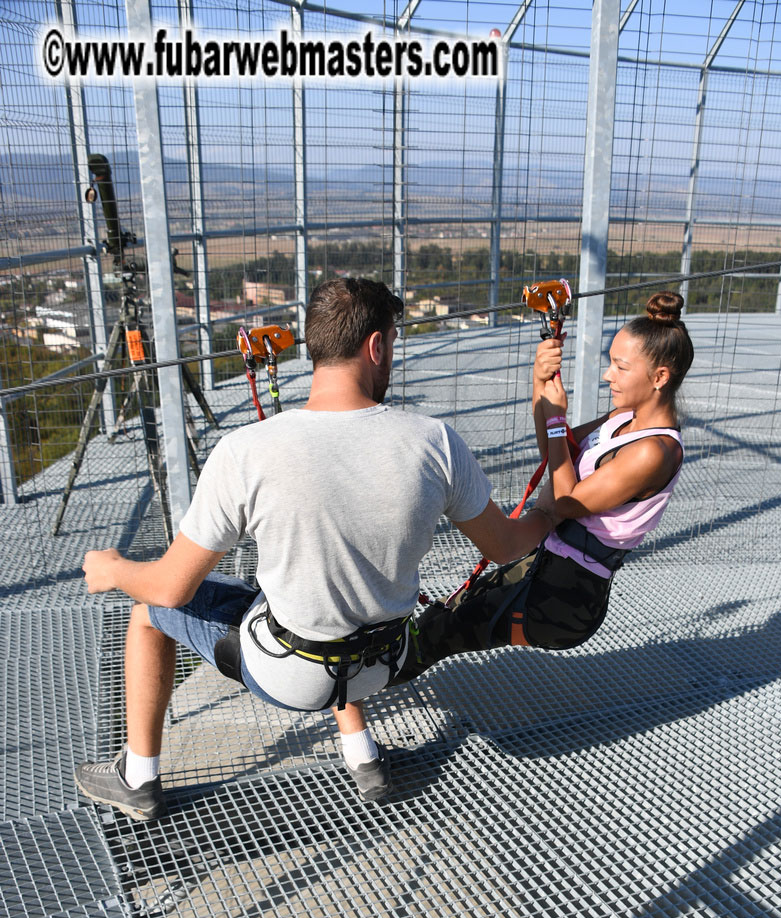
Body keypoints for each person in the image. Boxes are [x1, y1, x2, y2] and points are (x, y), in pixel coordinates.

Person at [75, 277, 560, 819]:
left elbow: (171, 586)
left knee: (147, 610)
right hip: (383, 662)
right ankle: (363, 755)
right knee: (335, 588)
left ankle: (137, 776)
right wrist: (553, 504)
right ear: (376, 346)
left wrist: (114, 568)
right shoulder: (435, 442)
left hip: (290, 675)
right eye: (393, 344)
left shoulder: (244, 452)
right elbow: (508, 546)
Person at [391, 291, 693, 683]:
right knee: (445, 616)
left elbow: (567, 501)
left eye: (620, 367)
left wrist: (555, 420)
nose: (608, 375)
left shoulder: (654, 451)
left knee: (441, 631)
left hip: (564, 599)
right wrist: (540, 382)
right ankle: (376, 674)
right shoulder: (624, 418)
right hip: (546, 566)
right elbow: (557, 452)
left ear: (660, 377)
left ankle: (361, 685)